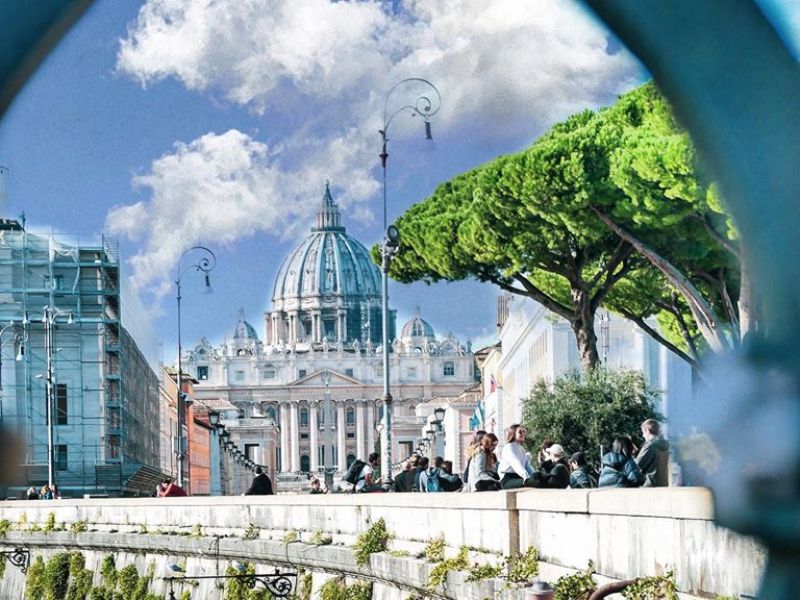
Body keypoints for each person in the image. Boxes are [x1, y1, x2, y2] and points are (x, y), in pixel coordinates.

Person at [498, 424, 542, 489]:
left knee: (538, 478)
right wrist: (526, 477)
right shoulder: (508, 447)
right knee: (532, 482)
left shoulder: (521, 448)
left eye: (524, 431)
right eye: (520, 432)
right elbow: (515, 463)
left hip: (519, 477)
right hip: (508, 479)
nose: (523, 434)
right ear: (513, 433)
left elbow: (527, 465)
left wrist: (534, 475)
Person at [636, 419, 670, 487]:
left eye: (643, 432)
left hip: (650, 484)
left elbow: (637, 465)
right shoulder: (665, 445)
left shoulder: (649, 446)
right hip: (663, 483)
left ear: (648, 431)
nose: (643, 436)